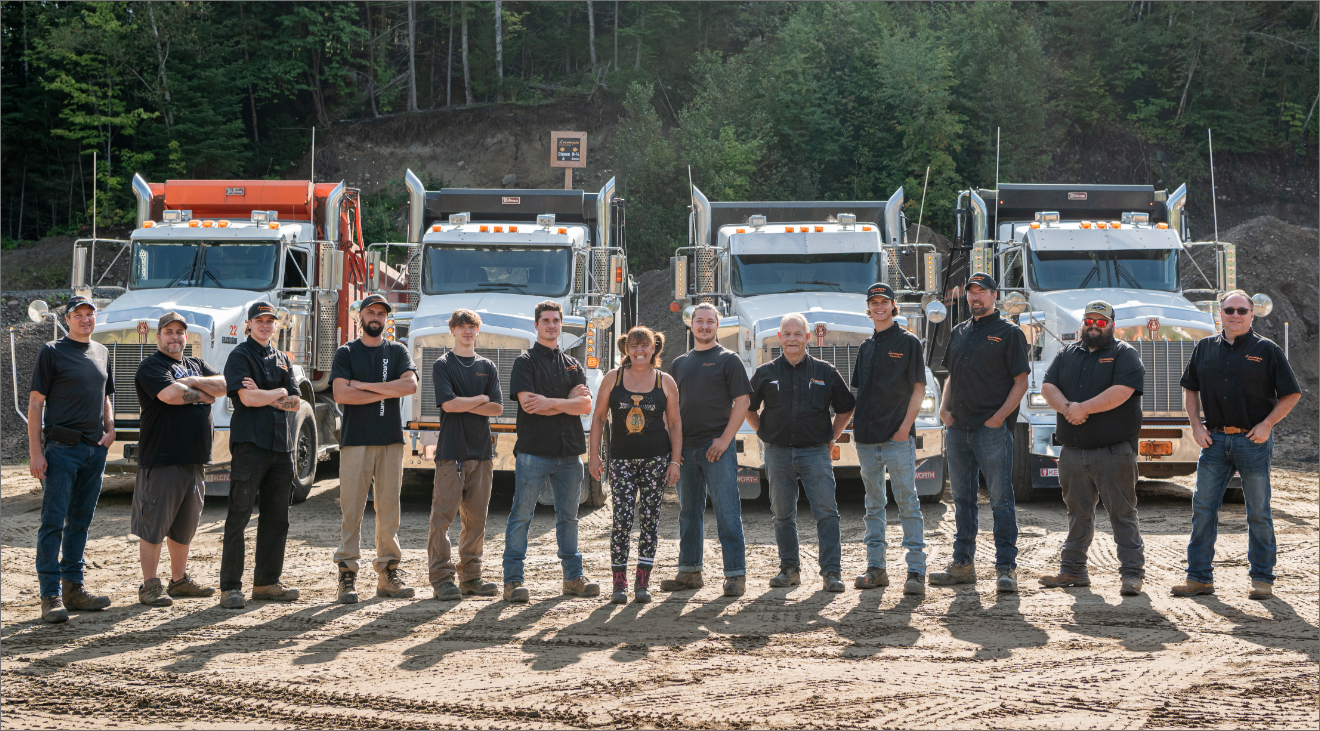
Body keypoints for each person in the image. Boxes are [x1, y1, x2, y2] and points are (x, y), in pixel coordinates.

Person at [1174, 290, 1301, 600]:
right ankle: (1199, 578)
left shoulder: (1267, 350)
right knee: (1203, 509)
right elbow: (1190, 389)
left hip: (1252, 441)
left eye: (1241, 310)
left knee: (1258, 512)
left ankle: (1262, 578)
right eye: (1229, 309)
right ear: (1220, 312)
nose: (1235, 315)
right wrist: (1195, 425)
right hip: (1214, 441)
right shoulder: (1204, 348)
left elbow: (1291, 394)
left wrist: (1267, 424)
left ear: (1251, 314)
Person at [1038, 301, 1147, 596]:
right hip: (1072, 452)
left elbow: (1122, 393)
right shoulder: (1066, 354)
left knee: (1122, 514)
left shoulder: (1124, 355)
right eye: (1089, 321)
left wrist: (1082, 409)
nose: (1094, 326)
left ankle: (1132, 574)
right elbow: (1047, 386)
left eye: (1101, 322)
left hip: (1114, 452)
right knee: (1078, 514)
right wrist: (1067, 408)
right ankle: (1073, 571)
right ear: (1082, 323)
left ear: (1112, 325)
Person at [932, 273, 1029, 592]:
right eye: (971, 293)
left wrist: (999, 418)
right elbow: (950, 378)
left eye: (981, 292)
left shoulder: (1010, 334)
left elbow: (1021, 383)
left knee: (1001, 499)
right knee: (963, 499)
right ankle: (963, 565)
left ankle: (1006, 569)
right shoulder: (959, 332)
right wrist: (943, 411)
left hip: (992, 432)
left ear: (994, 295)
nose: (975, 298)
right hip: (958, 430)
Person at [746, 313, 856, 592]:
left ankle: (831, 572)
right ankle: (789, 569)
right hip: (778, 453)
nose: (792, 339)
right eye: (787, 334)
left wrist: (831, 437)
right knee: (782, 514)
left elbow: (846, 407)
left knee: (827, 513)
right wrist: (763, 432)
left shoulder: (825, 372)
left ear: (808, 338)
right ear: (780, 338)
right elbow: (747, 406)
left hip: (815, 453)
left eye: (798, 334)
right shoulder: (766, 372)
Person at [502, 301, 599, 602]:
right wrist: (565, 402)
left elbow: (585, 406)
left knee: (569, 517)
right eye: (545, 320)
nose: (552, 325)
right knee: (522, 515)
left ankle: (573, 578)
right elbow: (530, 404)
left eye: (556, 320)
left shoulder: (574, 365)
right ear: (536, 325)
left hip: (570, 454)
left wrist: (551, 403)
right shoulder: (525, 362)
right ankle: (513, 581)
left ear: (561, 324)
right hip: (534, 452)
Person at [27, 294, 115, 623]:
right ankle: (50, 596)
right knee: (53, 523)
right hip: (61, 451)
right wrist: (36, 453)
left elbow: (105, 396)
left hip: (95, 451)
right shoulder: (52, 352)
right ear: (67, 319)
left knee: (80, 522)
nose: (85, 319)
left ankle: (73, 589)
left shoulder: (102, 352)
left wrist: (111, 427)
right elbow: (36, 405)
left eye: (90, 314)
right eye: (78, 315)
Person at [132, 312, 227, 607]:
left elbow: (223, 387)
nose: (175, 337)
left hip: (194, 459)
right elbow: (171, 395)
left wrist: (195, 381)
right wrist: (203, 394)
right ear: (158, 336)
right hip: (163, 458)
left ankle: (179, 580)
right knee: (154, 524)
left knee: (184, 525)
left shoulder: (195, 364)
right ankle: (149, 586)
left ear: (186, 337)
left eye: (179, 332)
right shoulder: (151, 366)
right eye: (168, 332)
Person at [330, 293, 419, 603]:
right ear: (360, 316)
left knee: (389, 512)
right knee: (351, 510)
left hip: (390, 441)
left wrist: (363, 386)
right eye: (371, 312)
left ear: (386, 318)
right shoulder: (346, 353)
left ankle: (387, 574)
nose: (376, 317)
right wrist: (385, 391)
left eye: (381, 313)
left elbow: (409, 386)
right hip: (355, 441)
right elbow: (341, 394)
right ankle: (347, 576)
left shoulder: (397, 351)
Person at [661, 302, 752, 597]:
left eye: (709, 321)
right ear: (691, 325)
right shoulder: (679, 364)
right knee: (688, 513)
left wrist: (725, 440)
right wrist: (673, 449)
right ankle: (689, 572)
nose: (704, 326)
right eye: (699, 321)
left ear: (718, 325)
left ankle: (735, 575)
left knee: (727, 512)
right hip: (685, 450)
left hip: (717, 449)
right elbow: (670, 410)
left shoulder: (729, 360)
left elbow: (743, 402)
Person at [219, 302, 303, 609]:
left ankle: (267, 583)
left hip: (282, 448)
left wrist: (270, 397)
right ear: (249, 325)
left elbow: (295, 402)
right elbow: (246, 398)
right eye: (260, 320)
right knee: (239, 516)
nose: (266, 325)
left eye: (271, 321)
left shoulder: (283, 359)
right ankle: (230, 587)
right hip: (250, 446)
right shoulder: (239, 357)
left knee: (277, 517)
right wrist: (278, 393)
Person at [589, 326, 682, 604]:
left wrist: (675, 460)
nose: (639, 351)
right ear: (626, 349)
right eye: (633, 346)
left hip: (657, 459)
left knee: (650, 521)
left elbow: (676, 424)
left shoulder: (665, 381)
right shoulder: (612, 379)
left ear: (654, 348)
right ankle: (619, 583)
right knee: (621, 521)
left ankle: (643, 582)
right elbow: (598, 418)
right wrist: (595, 456)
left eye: (644, 346)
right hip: (621, 460)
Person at [851, 283, 929, 596]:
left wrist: (903, 428)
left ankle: (915, 571)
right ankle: (876, 568)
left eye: (884, 301)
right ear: (868, 309)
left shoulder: (908, 342)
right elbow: (861, 392)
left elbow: (919, 389)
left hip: (897, 439)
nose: (879, 306)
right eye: (874, 302)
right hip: (867, 441)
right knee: (873, 504)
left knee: (908, 502)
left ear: (893, 306)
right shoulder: (866, 347)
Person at [428, 309, 503, 601]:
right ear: (452, 331)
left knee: (477, 521)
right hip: (451, 453)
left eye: (471, 326)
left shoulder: (488, 366)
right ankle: (441, 579)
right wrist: (480, 399)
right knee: (442, 518)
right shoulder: (443, 365)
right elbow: (448, 405)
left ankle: (471, 577)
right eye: (461, 327)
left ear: (477, 331)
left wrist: (466, 402)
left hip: (482, 453)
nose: (467, 331)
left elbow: (497, 409)